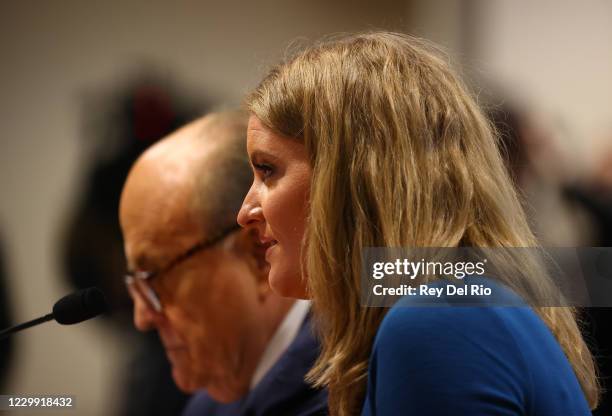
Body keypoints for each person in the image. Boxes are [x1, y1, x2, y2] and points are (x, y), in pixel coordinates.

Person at [237, 32, 600, 415]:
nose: (244, 212)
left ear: (351, 179)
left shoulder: (436, 320)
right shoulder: (448, 306)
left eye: (267, 170)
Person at [119, 111, 327, 415]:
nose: (142, 317)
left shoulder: (350, 385)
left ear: (257, 256)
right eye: (136, 281)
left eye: (156, 276)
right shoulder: (205, 408)